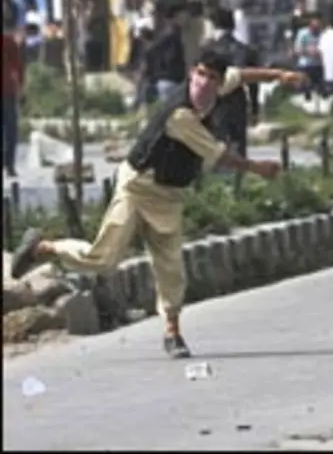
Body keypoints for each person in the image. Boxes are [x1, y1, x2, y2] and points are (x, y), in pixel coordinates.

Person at [10, 49, 307, 359]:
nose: (203, 82)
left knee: (170, 268)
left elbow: (242, 75)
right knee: (103, 259)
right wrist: (257, 168)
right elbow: (219, 155)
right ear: (192, 73)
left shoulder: (220, 87)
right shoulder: (180, 115)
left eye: (211, 78)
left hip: (169, 194)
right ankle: (43, 248)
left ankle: (172, 332)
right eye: (200, 74)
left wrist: (278, 75)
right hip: (138, 185)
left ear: (220, 83)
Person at [202, 7, 261, 165]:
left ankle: (220, 177)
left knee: (218, 144)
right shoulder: (246, 50)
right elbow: (254, 82)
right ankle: (238, 176)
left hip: (215, 101)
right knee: (238, 142)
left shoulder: (208, 51)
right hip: (237, 99)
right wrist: (255, 108)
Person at [148, 4, 187, 102]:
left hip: (167, 78)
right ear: (175, 17)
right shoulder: (171, 34)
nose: (185, 20)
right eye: (182, 17)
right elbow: (168, 57)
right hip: (169, 78)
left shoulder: (168, 32)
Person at [3, 29, 24, 178]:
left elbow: (17, 68)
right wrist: (21, 88)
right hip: (8, 92)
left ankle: (9, 165)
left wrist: (20, 87)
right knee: (11, 130)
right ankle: (9, 165)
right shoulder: (9, 41)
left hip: (8, 92)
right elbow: (17, 68)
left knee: (11, 131)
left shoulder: (9, 42)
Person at [293, 11, 323, 101]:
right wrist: (308, 51)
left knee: (319, 90)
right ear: (310, 25)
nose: (316, 30)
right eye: (314, 27)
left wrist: (319, 52)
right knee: (303, 86)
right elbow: (297, 50)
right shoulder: (302, 33)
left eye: (317, 27)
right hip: (305, 65)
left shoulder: (322, 34)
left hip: (318, 65)